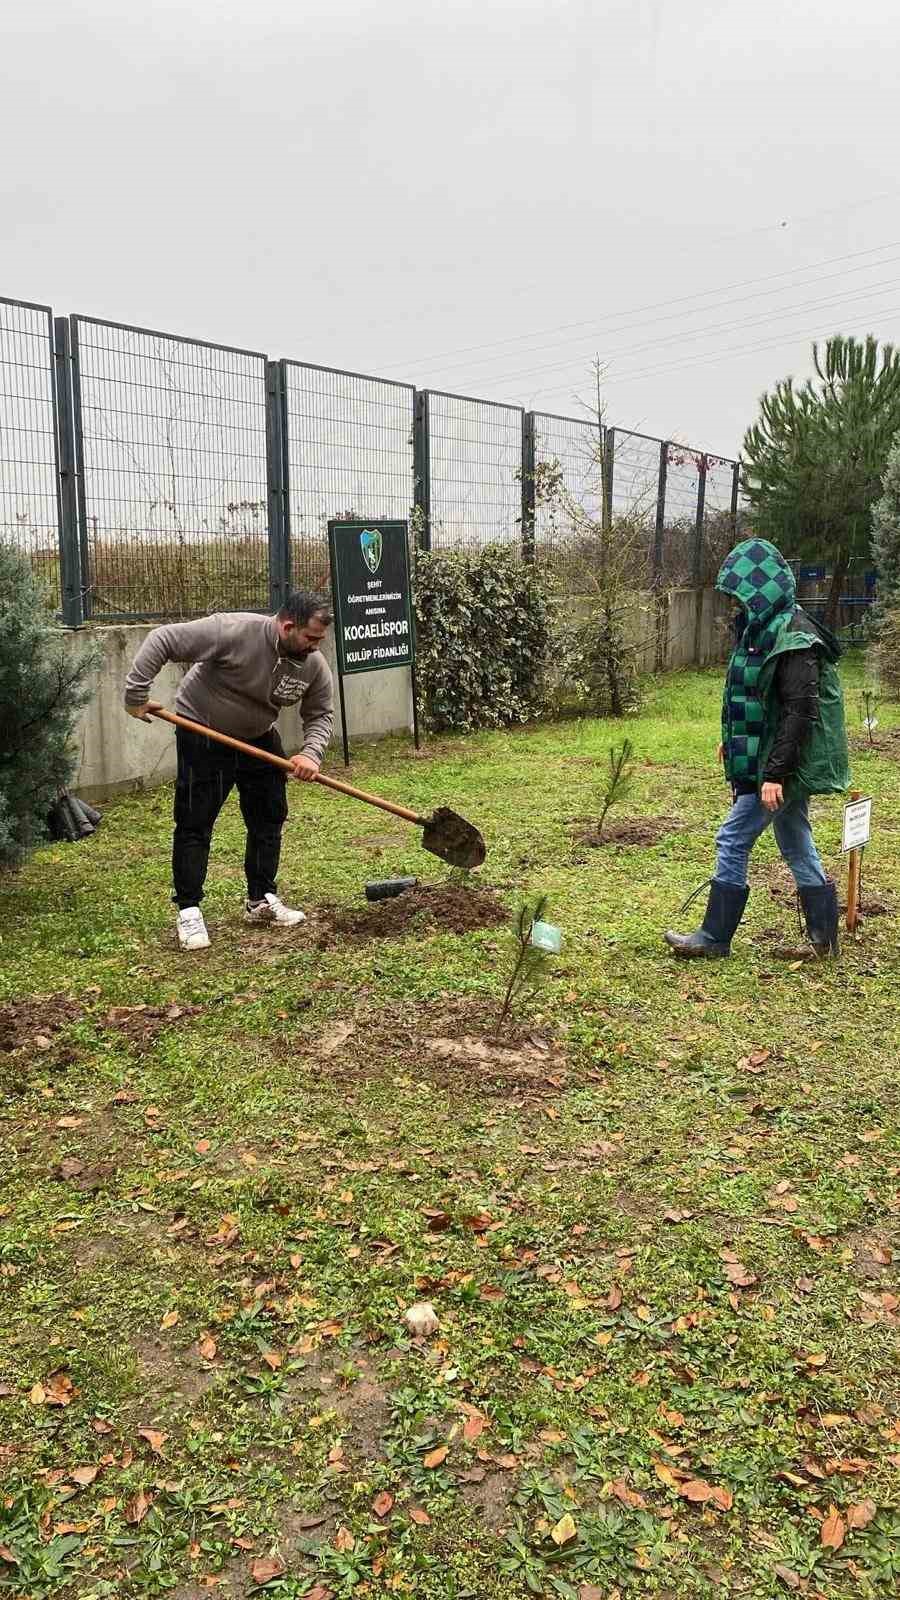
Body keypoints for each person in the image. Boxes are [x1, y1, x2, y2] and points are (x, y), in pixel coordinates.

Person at [665, 538, 849, 961]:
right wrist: (731, 743)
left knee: (732, 839)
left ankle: (714, 937)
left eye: (741, 594)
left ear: (760, 589)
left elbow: (800, 712)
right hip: (768, 758)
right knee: (797, 841)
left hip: (778, 766)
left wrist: (774, 773)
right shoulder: (761, 627)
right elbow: (752, 696)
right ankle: (824, 940)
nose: (736, 603)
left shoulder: (794, 634)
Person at [124, 591, 334, 951]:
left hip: (257, 737)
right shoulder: (232, 631)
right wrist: (135, 696)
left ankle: (261, 899)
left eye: (320, 640)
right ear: (287, 626)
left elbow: (320, 714)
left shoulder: (312, 664)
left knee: (269, 815)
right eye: (311, 638)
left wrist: (311, 754)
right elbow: (162, 639)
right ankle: (189, 910)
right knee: (195, 820)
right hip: (203, 730)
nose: (316, 647)